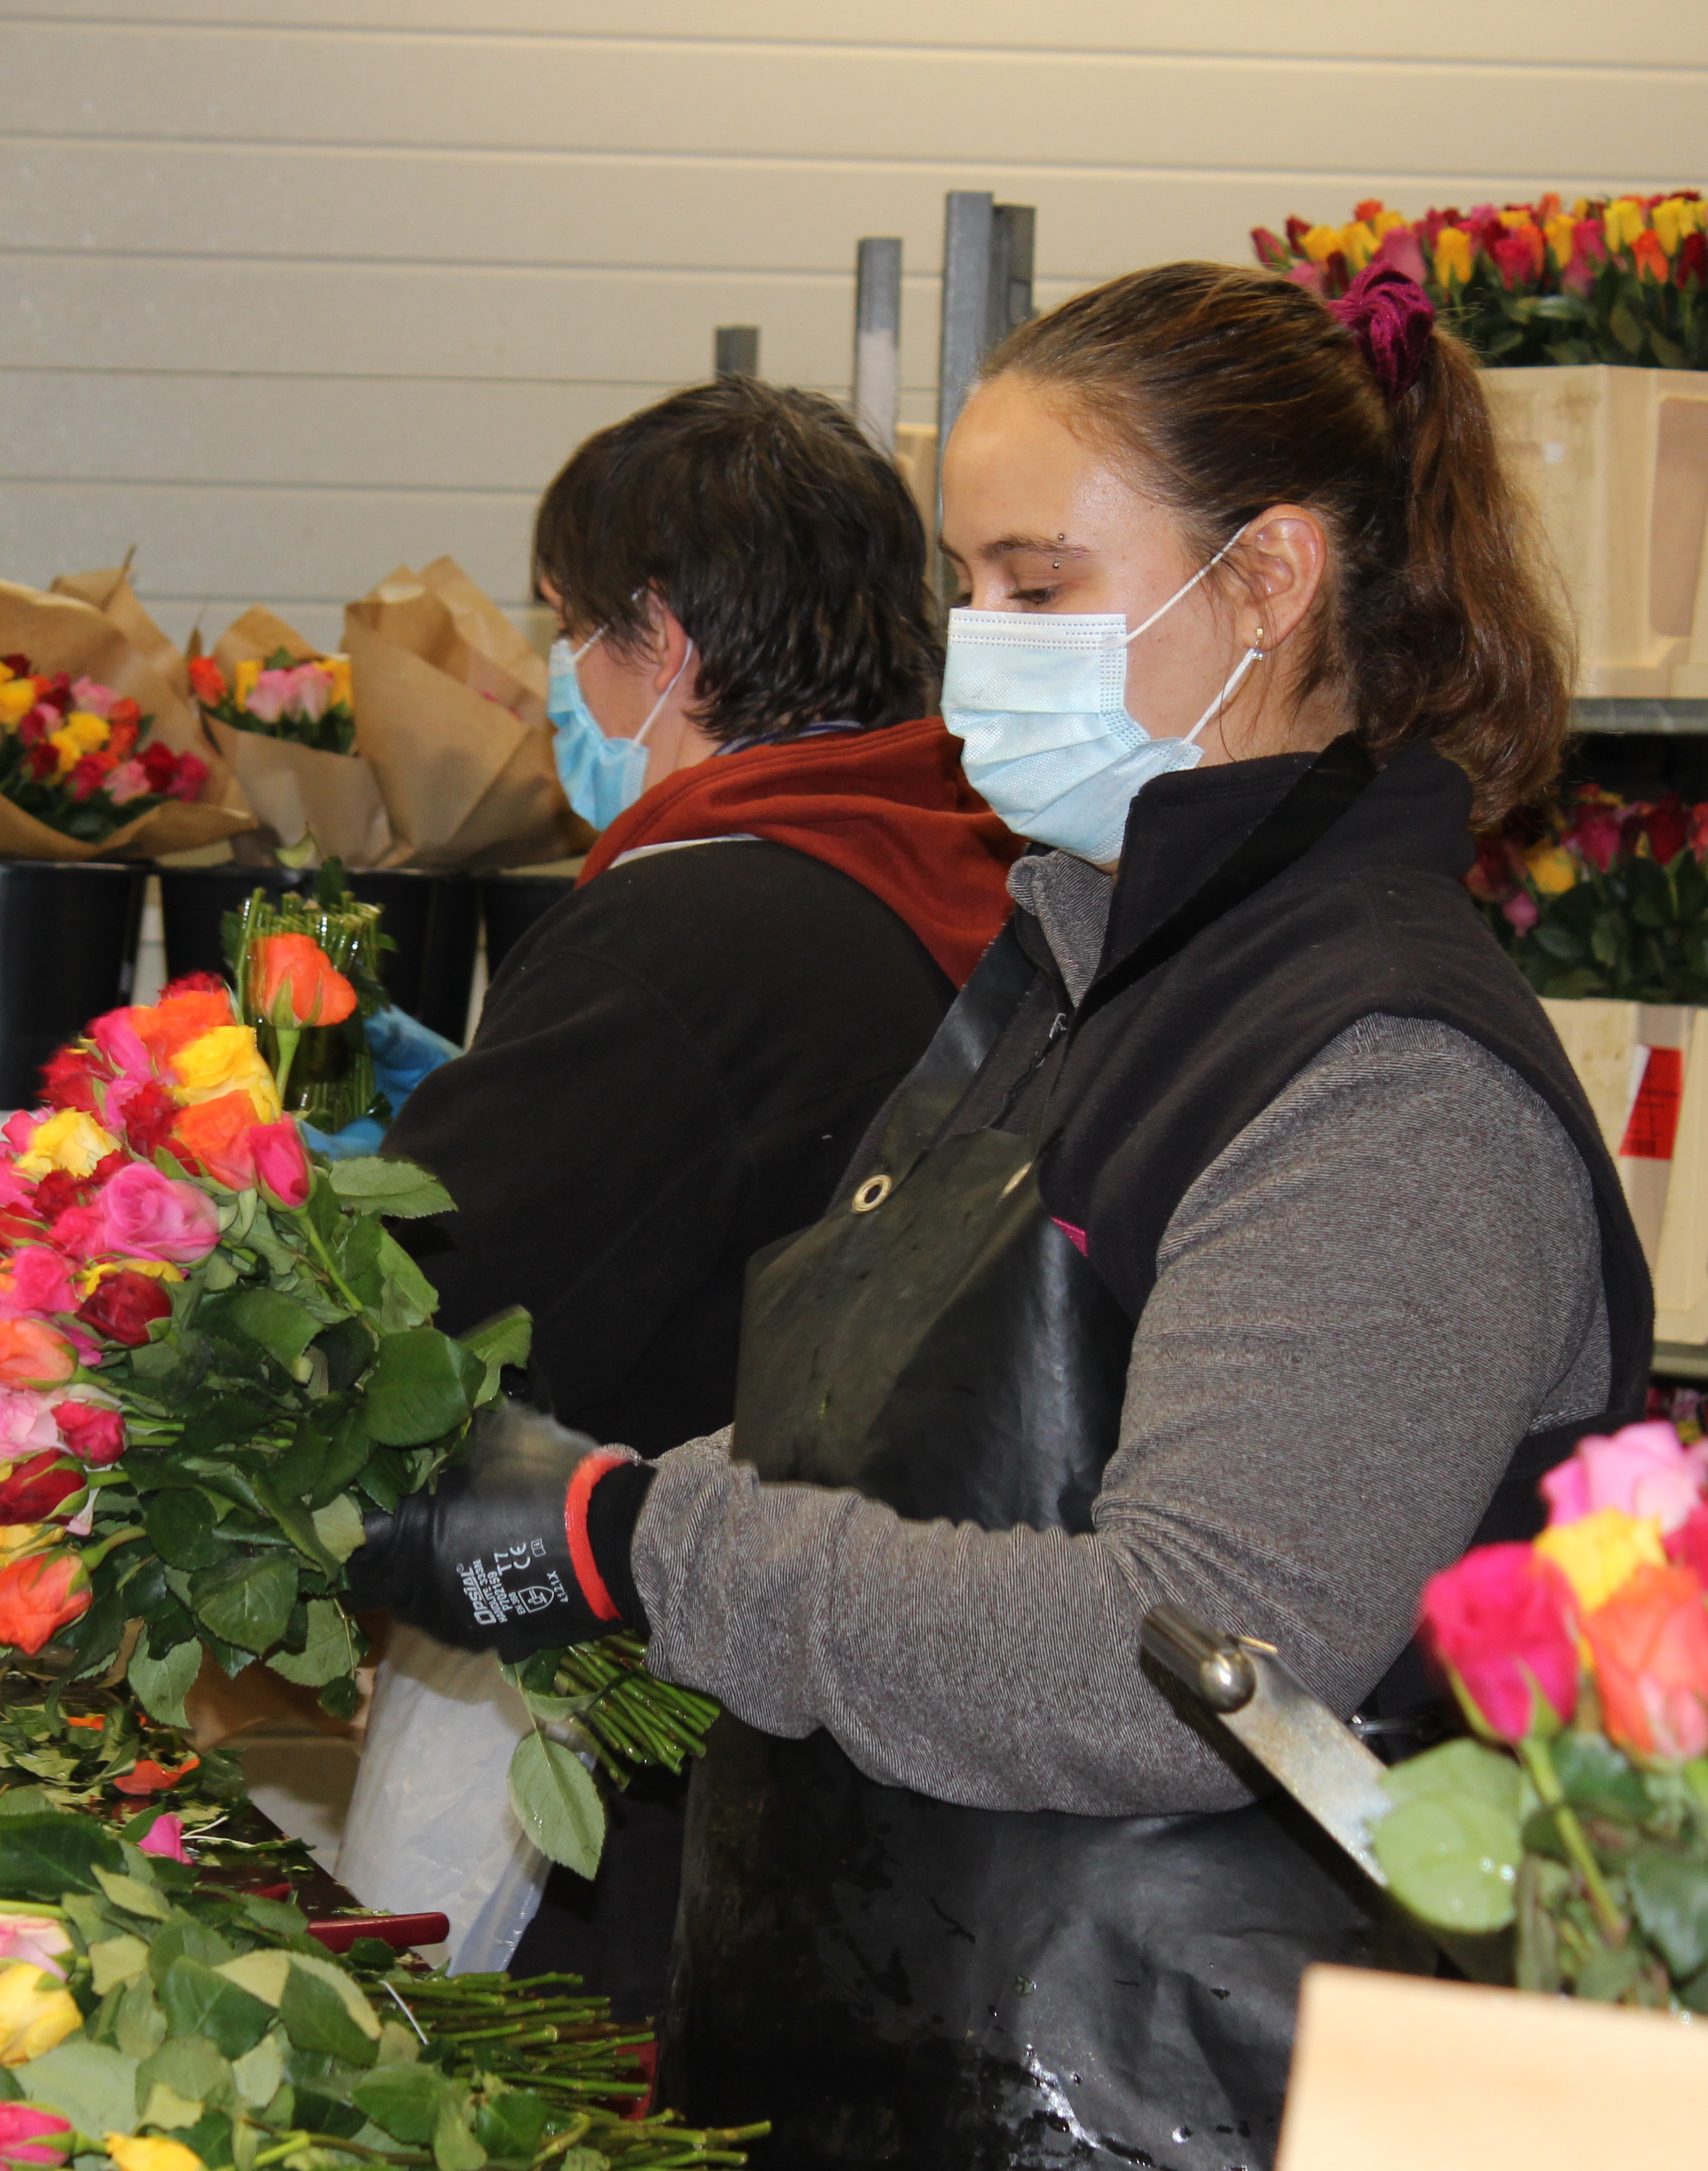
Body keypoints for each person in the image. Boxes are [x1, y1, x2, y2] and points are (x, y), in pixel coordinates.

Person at [351, 259, 1653, 2170]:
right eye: (966, 586)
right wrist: (581, 1502)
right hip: (924, 2056)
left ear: (1274, 580)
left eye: (1039, 587)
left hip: (1178, 2108)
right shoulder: (1086, 970)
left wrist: (639, 1542)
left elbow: (1188, 1664)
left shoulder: (1382, 1075)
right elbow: (933, 1441)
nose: (981, 647)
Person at [347, 376, 1018, 2010]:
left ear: (668, 643)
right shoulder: (957, 875)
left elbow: (413, 1322)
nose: (554, 682)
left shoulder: (690, 929)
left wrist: (309, 1228)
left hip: (662, 1725)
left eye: (572, 630)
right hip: (879, 1729)